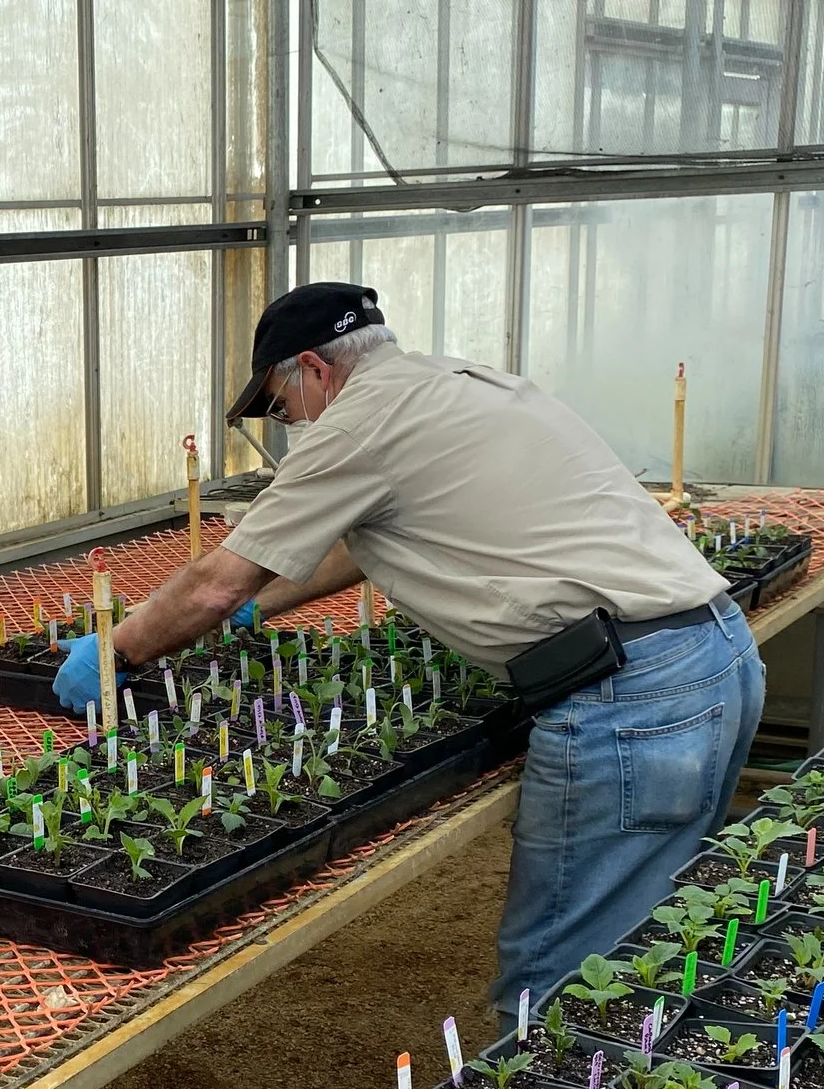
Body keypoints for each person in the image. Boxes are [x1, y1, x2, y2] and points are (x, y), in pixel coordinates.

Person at [52, 283, 764, 1017]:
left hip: (633, 701)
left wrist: (119, 651)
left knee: (556, 988)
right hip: (715, 656)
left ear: (314, 368)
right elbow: (358, 548)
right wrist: (254, 609)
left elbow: (211, 586)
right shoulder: (453, 385)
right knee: (646, 937)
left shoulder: (360, 422)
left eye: (279, 404)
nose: (286, 422)